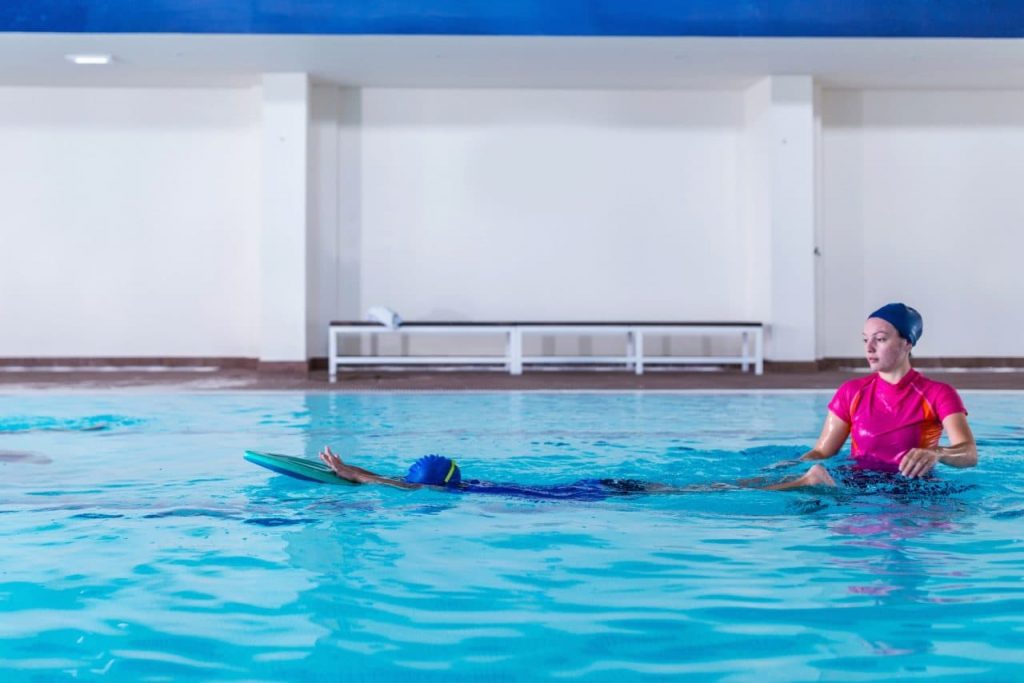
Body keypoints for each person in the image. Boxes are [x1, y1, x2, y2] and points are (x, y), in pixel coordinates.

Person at [763, 303, 977, 490]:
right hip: (858, 484)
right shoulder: (851, 392)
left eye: (880, 339)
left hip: (913, 488)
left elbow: (968, 453)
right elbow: (822, 451)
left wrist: (937, 453)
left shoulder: (937, 394)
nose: (869, 348)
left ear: (907, 343)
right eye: (865, 340)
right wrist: (788, 467)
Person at [317, 447, 727, 500]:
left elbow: (397, 484)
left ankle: (790, 483)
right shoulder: (469, 485)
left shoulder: (463, 495)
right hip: (591, 485)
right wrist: (353, 469)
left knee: (686, 492)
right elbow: (402, 480)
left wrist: (352, 472)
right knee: (682, 488)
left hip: (588, 495)